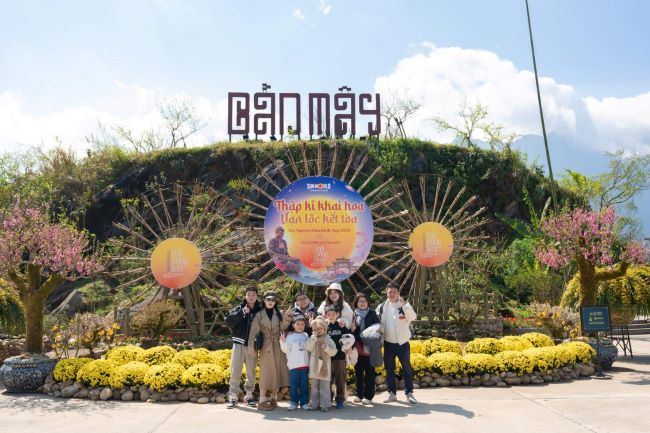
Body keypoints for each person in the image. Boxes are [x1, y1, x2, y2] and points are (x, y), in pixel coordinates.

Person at [248, 290, 291, 411]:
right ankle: (262, 400)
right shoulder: (259, 315)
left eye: (273, 300)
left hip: (277, 344)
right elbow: (253, 332)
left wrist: (287, 318)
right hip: (266, 344)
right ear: (264, 300)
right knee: (266, 371)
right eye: (268, 299)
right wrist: (251, 347)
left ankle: (274, 398)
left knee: (277, 370)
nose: (271, 302)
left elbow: (282, 328)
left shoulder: (279, 313)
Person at [377, 282, 418, 405]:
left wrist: (404, 304)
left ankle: (409, 393)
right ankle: (392, 394)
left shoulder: (404, 305)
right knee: (389, 369)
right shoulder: (382, 307)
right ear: (387, 293)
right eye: (390, 292)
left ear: (398, 293)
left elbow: (413, 317)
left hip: (402, 343)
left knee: (407, 369)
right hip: (388, 343)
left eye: (394, 292)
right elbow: (376, 321)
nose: (392, 294)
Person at [224, 285, 262, 408]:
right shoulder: (239, 308)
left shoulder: (260, 310)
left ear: (257, 296)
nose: (251, 297)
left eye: (253, 295)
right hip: (239, 343)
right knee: (235, 370)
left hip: (252, 345)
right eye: (249, 294)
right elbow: (228, 321)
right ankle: (233, 396)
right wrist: (242, 313)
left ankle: (249, 395)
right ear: (245, 296)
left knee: (251, 371)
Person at [351, 292, 381, 405]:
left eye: (364, 301)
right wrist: (353, 330)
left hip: (370, 347)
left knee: (370, 373)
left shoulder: (373, 314)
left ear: (368, 302)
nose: (362, 303)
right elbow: (351, 332)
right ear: (356, 303)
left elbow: (378, 328)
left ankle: (368, 396)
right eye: (360, 301)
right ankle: (358, 394)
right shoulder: (353, 315)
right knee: (358, 372)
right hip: (358, 347)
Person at [305, 316, 337, 412]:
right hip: (315, 367)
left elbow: (334, 351)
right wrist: (314, 338)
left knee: (325, 387)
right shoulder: (312, 338)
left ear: (325, 329)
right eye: (316, 329)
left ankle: (325, 405)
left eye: (320, 329)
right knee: (314, 387)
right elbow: (308, 347)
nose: (318, 331)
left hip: (324, 367)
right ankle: (314, 404)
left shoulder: (328, 339)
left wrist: (326, 348)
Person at [324, 304, 352, 409]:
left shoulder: (341, 326)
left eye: (333, 314)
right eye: (328, 314)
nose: (331, 316)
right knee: (328, 381)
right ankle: (328, 399)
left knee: (340, 380)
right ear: (325, 315)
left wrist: (349, 346)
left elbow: (349, 337)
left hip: (340, 358)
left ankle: (340, 399)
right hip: (328, 358)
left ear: (337, 314)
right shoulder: (325, 327)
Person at [280, 315, 310, 411]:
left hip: (304, 365)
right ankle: (293, 402)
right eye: (298, 324)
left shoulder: (306, 335)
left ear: (305, 325)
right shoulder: (290, 336)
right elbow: (285, 350)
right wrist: (282, 341)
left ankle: (304, 403)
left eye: (302, 324)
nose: (300, 326)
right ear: (293, 325)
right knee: (294, 386)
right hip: (293, 366)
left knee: (304, 386)